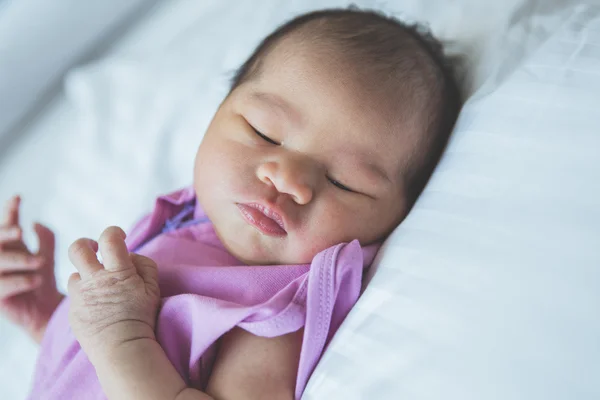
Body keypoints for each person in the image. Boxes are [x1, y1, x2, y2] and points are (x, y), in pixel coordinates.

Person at [0, 7, 461, 400]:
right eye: (264, 132)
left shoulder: (276, 312)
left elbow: (131, 356)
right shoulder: (190, 222)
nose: (287, 179)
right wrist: (53, 321)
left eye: (343, 181)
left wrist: (119, 339)